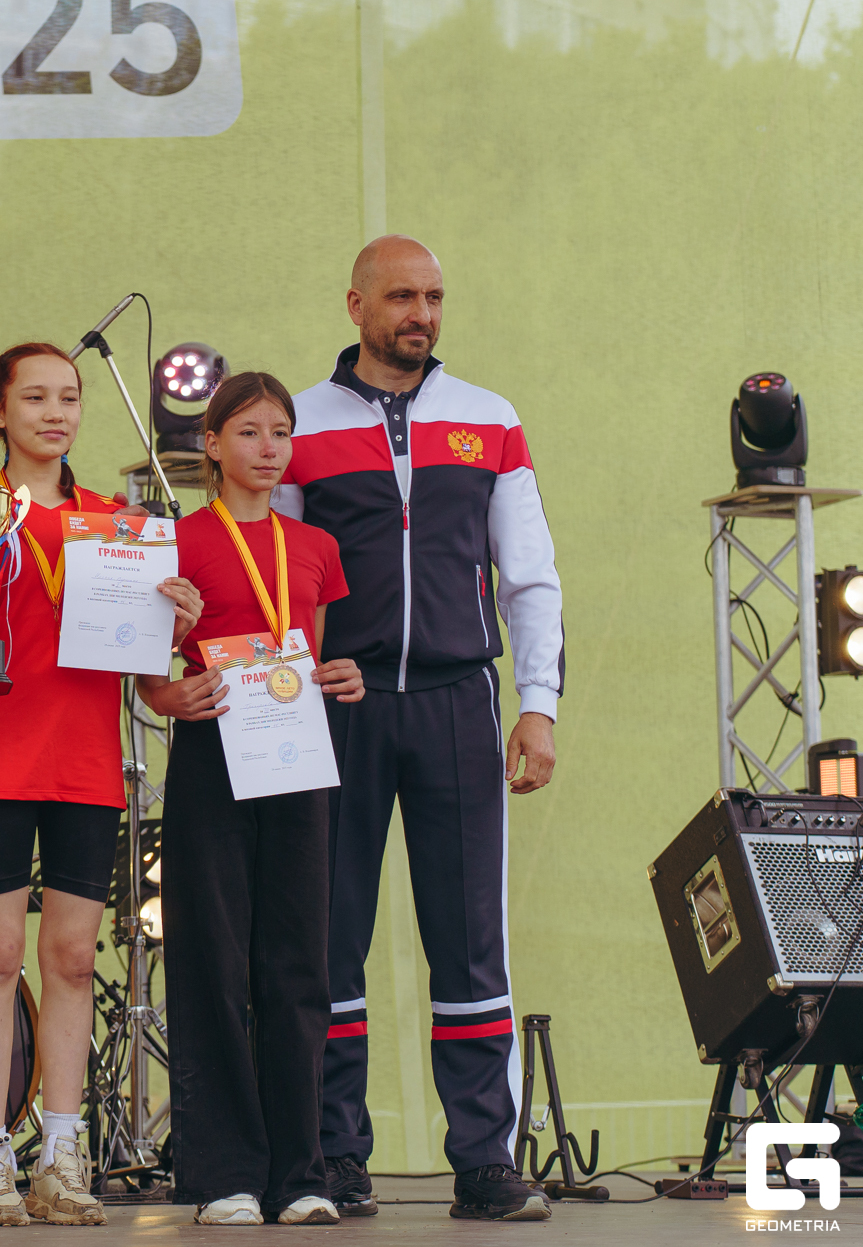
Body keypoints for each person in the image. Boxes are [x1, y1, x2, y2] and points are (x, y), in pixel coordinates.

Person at [274, 235, 563, 1222]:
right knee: (328, 940)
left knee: (472, 941)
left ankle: (485, 1161)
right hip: (340, 706)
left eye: (434, 296)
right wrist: (288, 689)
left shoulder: (490, 418)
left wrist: (537, 704)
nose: (422, 314)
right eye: (402, 296)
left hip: (457, 703)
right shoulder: (300, 426)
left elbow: (530, 576)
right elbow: (279, 581)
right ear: (356, 304)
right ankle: (333, 1156)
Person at [0, 343, 201, 1227]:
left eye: (69, 398)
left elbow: (143, 663)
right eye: (35, 398)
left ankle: (61, 1153)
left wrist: (175, 621)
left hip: (87, 765)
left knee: (70, 959)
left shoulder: (117, 524)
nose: (55, 413)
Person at [137, 371, 362, 1227]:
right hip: (212, 759)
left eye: (280, 433)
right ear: (212, 444)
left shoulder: (316, 548)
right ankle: (224, 1174)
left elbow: (310, 659)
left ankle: (300, 1174)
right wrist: (168, 695)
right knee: (211, 961)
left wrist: (343, 678)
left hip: (295, 758)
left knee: (298, 965)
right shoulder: (175, 541)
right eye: (249, 433)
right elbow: (146, 672)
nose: (268, 449)